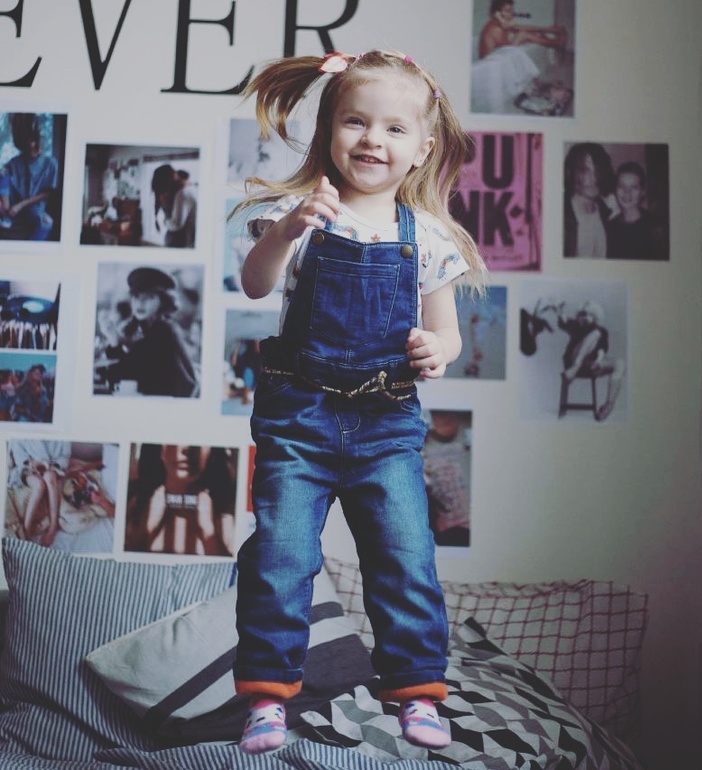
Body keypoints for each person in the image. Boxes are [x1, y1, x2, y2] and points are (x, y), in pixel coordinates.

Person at [230, 49, 487, 754]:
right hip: (299, 421)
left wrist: (436, 350)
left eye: (394, 129)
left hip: (384, 426)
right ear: (330, 130)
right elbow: (256, 284)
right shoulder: (300, 215)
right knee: (281, 555)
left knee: (404, 557)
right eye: (356, 122)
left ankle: (416, 692)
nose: (373, 139)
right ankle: (267, 697)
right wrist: (288, 230)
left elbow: (448, 334)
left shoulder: (428, 237)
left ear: (422, 149)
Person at [100, 267, 198, 398]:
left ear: (162, 302)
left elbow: (123, 375)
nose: (141, 303)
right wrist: (113, 338)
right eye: (136, 297)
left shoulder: (162, 331)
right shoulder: (146, 329)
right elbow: (120, 377)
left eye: (149, 297)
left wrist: (114, 340)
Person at [124, 444, 236, 555]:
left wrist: (209, 534)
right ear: (160, 449)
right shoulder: (134, 509)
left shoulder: (226, 522)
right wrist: (145, 532)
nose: (187, 448)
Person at [472, 0, 566, 114]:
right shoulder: (496, 29)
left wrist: (546, 29)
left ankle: (554, 40)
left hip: (497, 55)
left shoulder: (499, 23)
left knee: (524, 33)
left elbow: (517, 29)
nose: (511, 14)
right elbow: (507, 49)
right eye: (507, 11)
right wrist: (520, 35)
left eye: (512, 10)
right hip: (488, 66)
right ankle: (556, 43)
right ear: (497, 13)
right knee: (523, 35)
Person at [557, 300, 625, 421]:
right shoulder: (575, 325)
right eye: (582, 314)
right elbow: (563, 322)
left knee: (620, 364)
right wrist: (559, 310)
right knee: (596, 333)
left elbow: (602, 350)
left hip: (591, 365)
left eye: (588, 315)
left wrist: (599, 361)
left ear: (594, 317)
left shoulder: (602, 331)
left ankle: (608, 406)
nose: (584, 317)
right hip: (573, 362)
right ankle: (576, 366)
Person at [0, 114, 59, 240]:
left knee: (47, 222)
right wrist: (3, 202)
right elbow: (3, 176)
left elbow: (46, 194)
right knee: (2, 173)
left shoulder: (50, 164)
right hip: (11, 207)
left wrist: (20, 205)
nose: (30, 145)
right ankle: (4, 218)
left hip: (33, 209)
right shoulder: (14, 162)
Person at [606, 161, 668, 260]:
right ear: (615, 190)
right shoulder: (609, 228)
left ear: (642, 191)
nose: (627, 193)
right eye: (621, 186)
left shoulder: (656, 227)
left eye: (634, 188)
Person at [563, 142, 615, 258]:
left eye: (597, 171)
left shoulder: (607, 211)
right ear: (571, 173)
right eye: (585, 171)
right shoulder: (561, 213)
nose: (594, 178)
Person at [165, 169, 197, 248]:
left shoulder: (183, 193)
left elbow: (177, 223)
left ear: (182, 180)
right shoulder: (195, 190)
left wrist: (165, 222)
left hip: (182, 238)